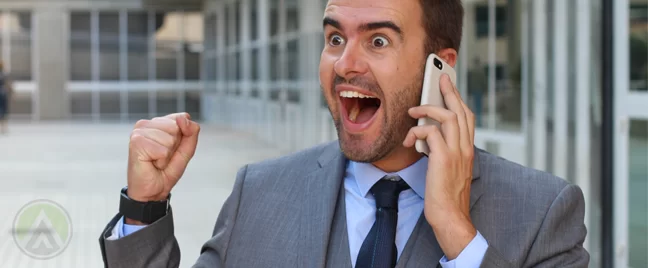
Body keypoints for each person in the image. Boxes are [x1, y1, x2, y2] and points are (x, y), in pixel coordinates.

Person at [99, 0, 589, 267]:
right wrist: (144, 211)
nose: (346, 64)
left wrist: (459, 237)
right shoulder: (260, 193)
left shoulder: (544, 213)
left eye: (378, 40)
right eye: (335, 39)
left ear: (441, 70)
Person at [468, 58, 486, 127]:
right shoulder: (480, 71)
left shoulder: (472, 71)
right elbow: (483, 81)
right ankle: (479, 122)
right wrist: (484, 89)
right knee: (479, 107)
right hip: (479, 90)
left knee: (475, 106)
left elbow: (470, 82)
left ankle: (477, 122)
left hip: (474, 90)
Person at [0, 61, 13, 134]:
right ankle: (4, 127)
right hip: (3, 93)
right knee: (4, 111)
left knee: (3, 110)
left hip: (3, 93)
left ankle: (3, 127)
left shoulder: (5, 74)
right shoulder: (5, 74)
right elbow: (9, 84)